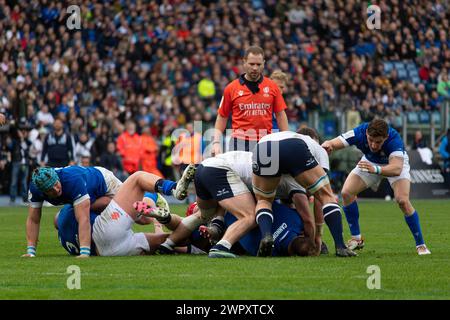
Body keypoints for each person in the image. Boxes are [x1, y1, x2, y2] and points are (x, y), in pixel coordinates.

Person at [322, 119, 431, 255]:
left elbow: (396, 169)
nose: (373, 145)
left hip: (392, 165)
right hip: (370, 162)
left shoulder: (394, 139)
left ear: (385, 137)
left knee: (402, 201)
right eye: (370, 140)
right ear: (367, 133)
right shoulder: (360, 132)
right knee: (346, 193)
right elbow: (337, 141)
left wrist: (376, 170)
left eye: (378, 142)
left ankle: (421, 245)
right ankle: (357, 239)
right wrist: (328, 144)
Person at [252, 131, 356, 257]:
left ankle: (267, 236)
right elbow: (319, 199)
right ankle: (340, 246)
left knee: (264, 200)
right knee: (325, 195)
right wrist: (318, 235)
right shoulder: (319, 149)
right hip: (293, 147)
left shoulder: (286, 135)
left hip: (262, 146)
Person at [153, 151, 256, 258]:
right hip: (219, 172)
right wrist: (215, 227)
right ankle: (221, 246)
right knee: (249, 216)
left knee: (202, 215)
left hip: (205, 168)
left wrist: (214, 227)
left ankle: (167, 244)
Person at [212, 46, 288, 155]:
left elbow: (280, 115)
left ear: (264, 63)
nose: (255, 68)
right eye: (252, 64)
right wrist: (216, 142)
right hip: (239, 143)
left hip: (266, 141)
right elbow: (222, 117)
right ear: (244, 62)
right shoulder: (231, 88)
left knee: (268, 172)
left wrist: (286, 139)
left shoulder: (272, 87)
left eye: (258, 64)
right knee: (238, 173)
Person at [202, 201, 317, 257]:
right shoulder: (269, 252)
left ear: (303, 235)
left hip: (240, 197)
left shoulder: (296, 220)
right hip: (228, 221)